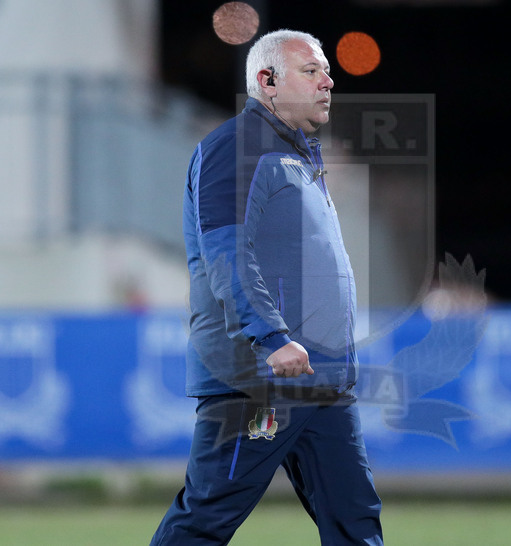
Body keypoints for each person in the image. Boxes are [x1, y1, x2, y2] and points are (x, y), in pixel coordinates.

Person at [150, 29, 384, 545]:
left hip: (320, 379)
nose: (328, 82)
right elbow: (226, 254)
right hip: (259, 377)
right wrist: (271, 337)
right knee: (205, 520)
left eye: (327, 72)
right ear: (267, 80)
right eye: (312, 71)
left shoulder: (296, 156)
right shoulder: (238, 145)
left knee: (356, 521)